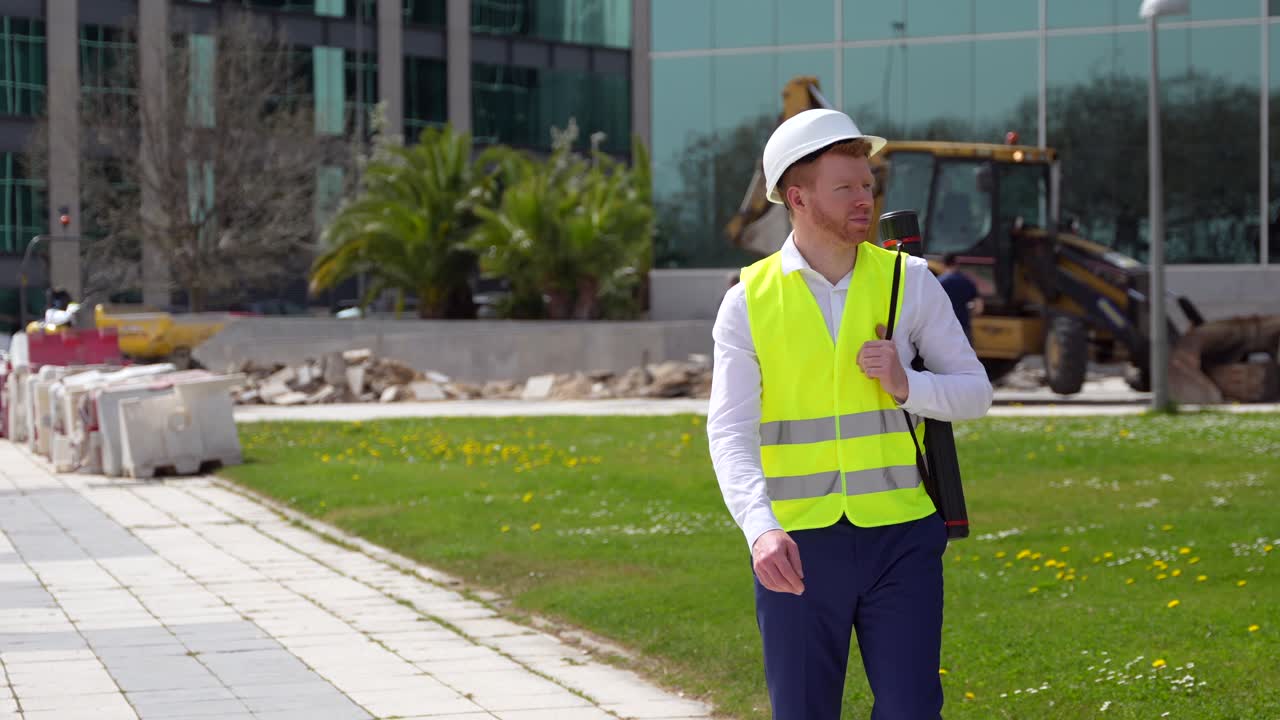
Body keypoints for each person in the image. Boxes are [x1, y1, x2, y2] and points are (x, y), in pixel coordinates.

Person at [706, 109, 993, 720]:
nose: (865, 199)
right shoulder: (746, 302)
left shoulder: (910, 280)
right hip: (798, 548)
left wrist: (905, 384)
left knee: (913, 711)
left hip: (902, 539)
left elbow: (975, 392)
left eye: (868, 185)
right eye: (846, 188)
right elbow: (728, 431)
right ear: (797, 196)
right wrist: (760, 529)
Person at [937, 254, 982, 340]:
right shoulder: (967, 282)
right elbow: (979, 308)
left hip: (943, 327)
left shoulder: (938, 282)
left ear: (943, 264)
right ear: (956, 264)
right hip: (962, 326)